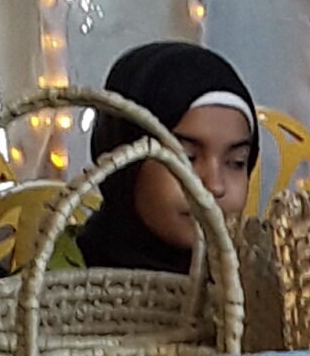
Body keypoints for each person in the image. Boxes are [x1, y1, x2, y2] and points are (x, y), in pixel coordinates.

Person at [77, 40, 259, 270]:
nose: (214, 186)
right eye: (187, 158)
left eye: (236, 163)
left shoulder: (263, 282)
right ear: (125, 160)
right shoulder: (60, 282)